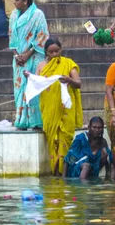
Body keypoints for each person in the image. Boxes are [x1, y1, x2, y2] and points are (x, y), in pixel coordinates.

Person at [34, 38, 83, 176]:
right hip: (49, 109)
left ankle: (64, 173)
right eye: (51, 52)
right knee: (52, 142)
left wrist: (69, 80)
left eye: (57, 51)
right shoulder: (41, 66)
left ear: (61, 50)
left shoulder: (68, 64)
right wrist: (29, 77)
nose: (54, 54)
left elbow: (78, 83)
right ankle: (55, 173)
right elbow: (36, 84)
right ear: (46, 52)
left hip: (65, 110)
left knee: (65, 140)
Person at [9, 0, 49, 129]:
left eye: (17, 0)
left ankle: (36, 121)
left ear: (25, 2)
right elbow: (12, 37)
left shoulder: (38, 15)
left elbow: (42, 36)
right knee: (20, 89)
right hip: (18, 59)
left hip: (34, 56)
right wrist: (16, 55)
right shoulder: (14, 15)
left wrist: (27, 54)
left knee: (33, 87)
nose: (14, 2)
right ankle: (22, 120)